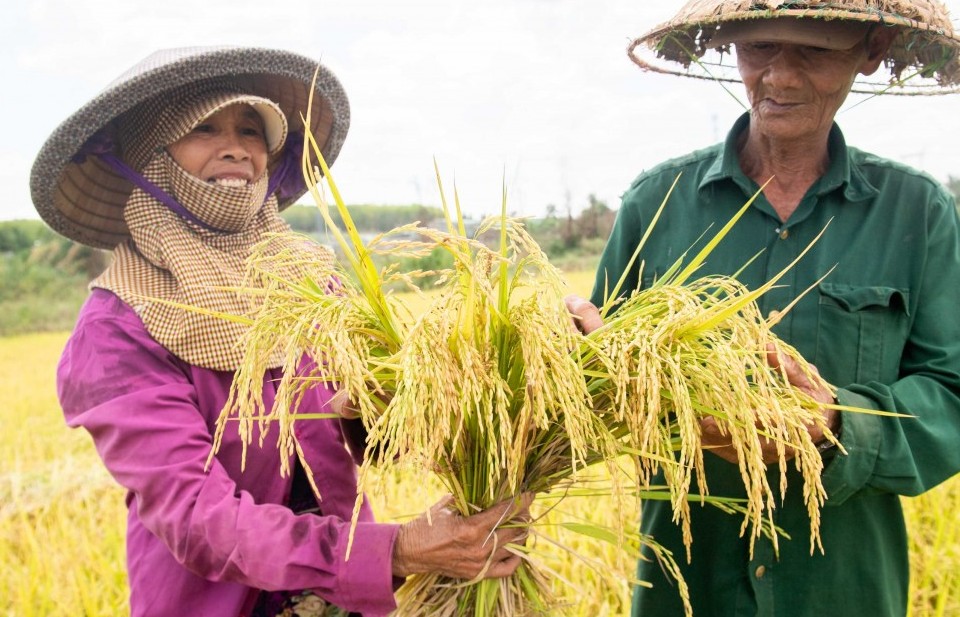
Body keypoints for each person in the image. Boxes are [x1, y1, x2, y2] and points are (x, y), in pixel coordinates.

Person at [30, 47, 529, 617]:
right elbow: (196, 515)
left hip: (341, 602)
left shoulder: (309, 281)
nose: (237, 147)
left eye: (251, 129)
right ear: (149, 156)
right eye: (203, 127)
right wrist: (398, 550)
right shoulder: (117, 329)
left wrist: (509, 364)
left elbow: (374, 433)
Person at [567, 2, 960, 616]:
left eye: (815, 52)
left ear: (872, 48)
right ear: (728, 46)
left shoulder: (916, 212)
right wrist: (573, 358)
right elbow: (598, 383)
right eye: (759, 50)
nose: (779, 77)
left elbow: (951, 395)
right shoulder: (658, 203)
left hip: (843, 587)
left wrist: (833, 426)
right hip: (688, 584)